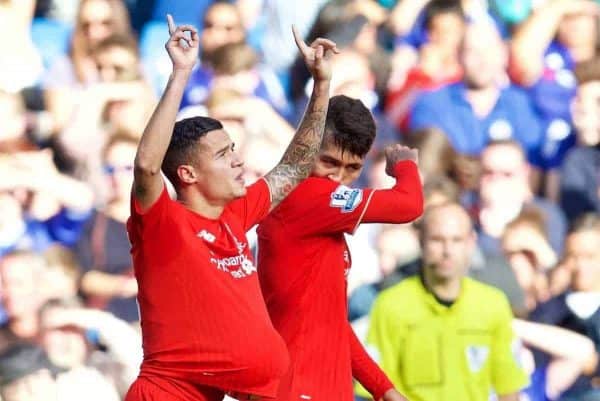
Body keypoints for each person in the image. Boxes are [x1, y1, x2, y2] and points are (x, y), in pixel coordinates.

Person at [125, 15, 339, 401]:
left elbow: (293, 166)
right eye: (224, 155)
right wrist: (181, 73)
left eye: (235, 150)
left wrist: (321, 86)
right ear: (188, 173)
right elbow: (146, 166)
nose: (239, 161)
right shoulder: (163, 225)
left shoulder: (234, 217)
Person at [257, 94, 422, 401]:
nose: (337, 177)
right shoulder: (307, 196)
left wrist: (382, 388)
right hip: (294, 387)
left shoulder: (324, 219)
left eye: (352, 167)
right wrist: (406, 167)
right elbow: (409, 205)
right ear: (307, 150)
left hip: (323, 388)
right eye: (329, 162)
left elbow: (332, 323)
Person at [356, 202, 529, 401]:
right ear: (421, 241)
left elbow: (508, 387)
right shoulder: (391, 305)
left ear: (471, 243)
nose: (447, 250)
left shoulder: (493, 304)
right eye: (437, 240)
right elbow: (375, 389)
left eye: (456, 240)